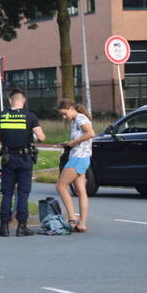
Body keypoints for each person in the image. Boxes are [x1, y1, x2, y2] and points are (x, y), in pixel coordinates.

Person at [0, 88, 45, 237]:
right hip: (25, 158)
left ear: (10, 100)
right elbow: (41, 137)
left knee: (7, 193)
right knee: (23, 193)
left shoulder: (1, 116)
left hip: (8, 158)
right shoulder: (30, 116)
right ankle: (22, 227)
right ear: (24, 100)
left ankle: (4, 227)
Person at [56, 99, 96, 233]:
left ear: (71, 108)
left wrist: (73, 143)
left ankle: (72, 218)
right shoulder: (76, 120)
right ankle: (82, 223)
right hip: (82, 157)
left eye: (64, 113)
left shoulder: (80, 118)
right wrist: (70, 143)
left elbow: (91, 133)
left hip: (78, 157)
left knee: (61, 186)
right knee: (80, 191)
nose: (64, 117)